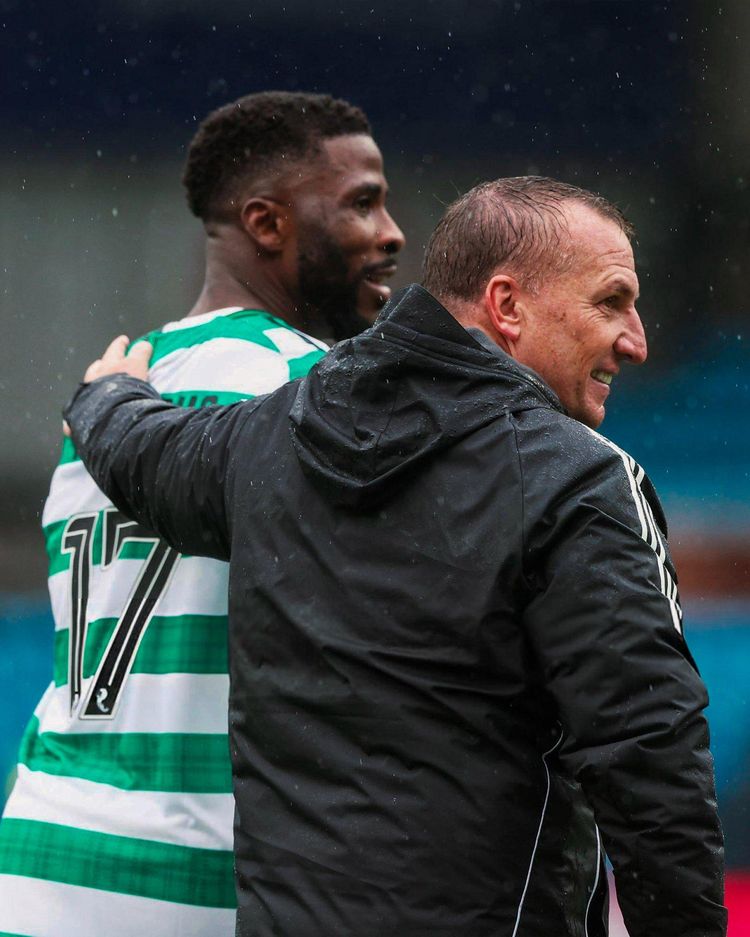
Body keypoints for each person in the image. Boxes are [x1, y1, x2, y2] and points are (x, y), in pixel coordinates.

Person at [61, 177, 726, 936]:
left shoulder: (270, 439)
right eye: (612, 302)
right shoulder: (579, 480)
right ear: (507, 306)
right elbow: (650, 760)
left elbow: (150, 457)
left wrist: (106, 397)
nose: (636, 340)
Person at [0, 90, 403, 937]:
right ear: (267, 223)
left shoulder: (110, 391)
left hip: (46, 854)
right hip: (207, 873)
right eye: (363, 202)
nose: (393, 232)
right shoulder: (315, 389)